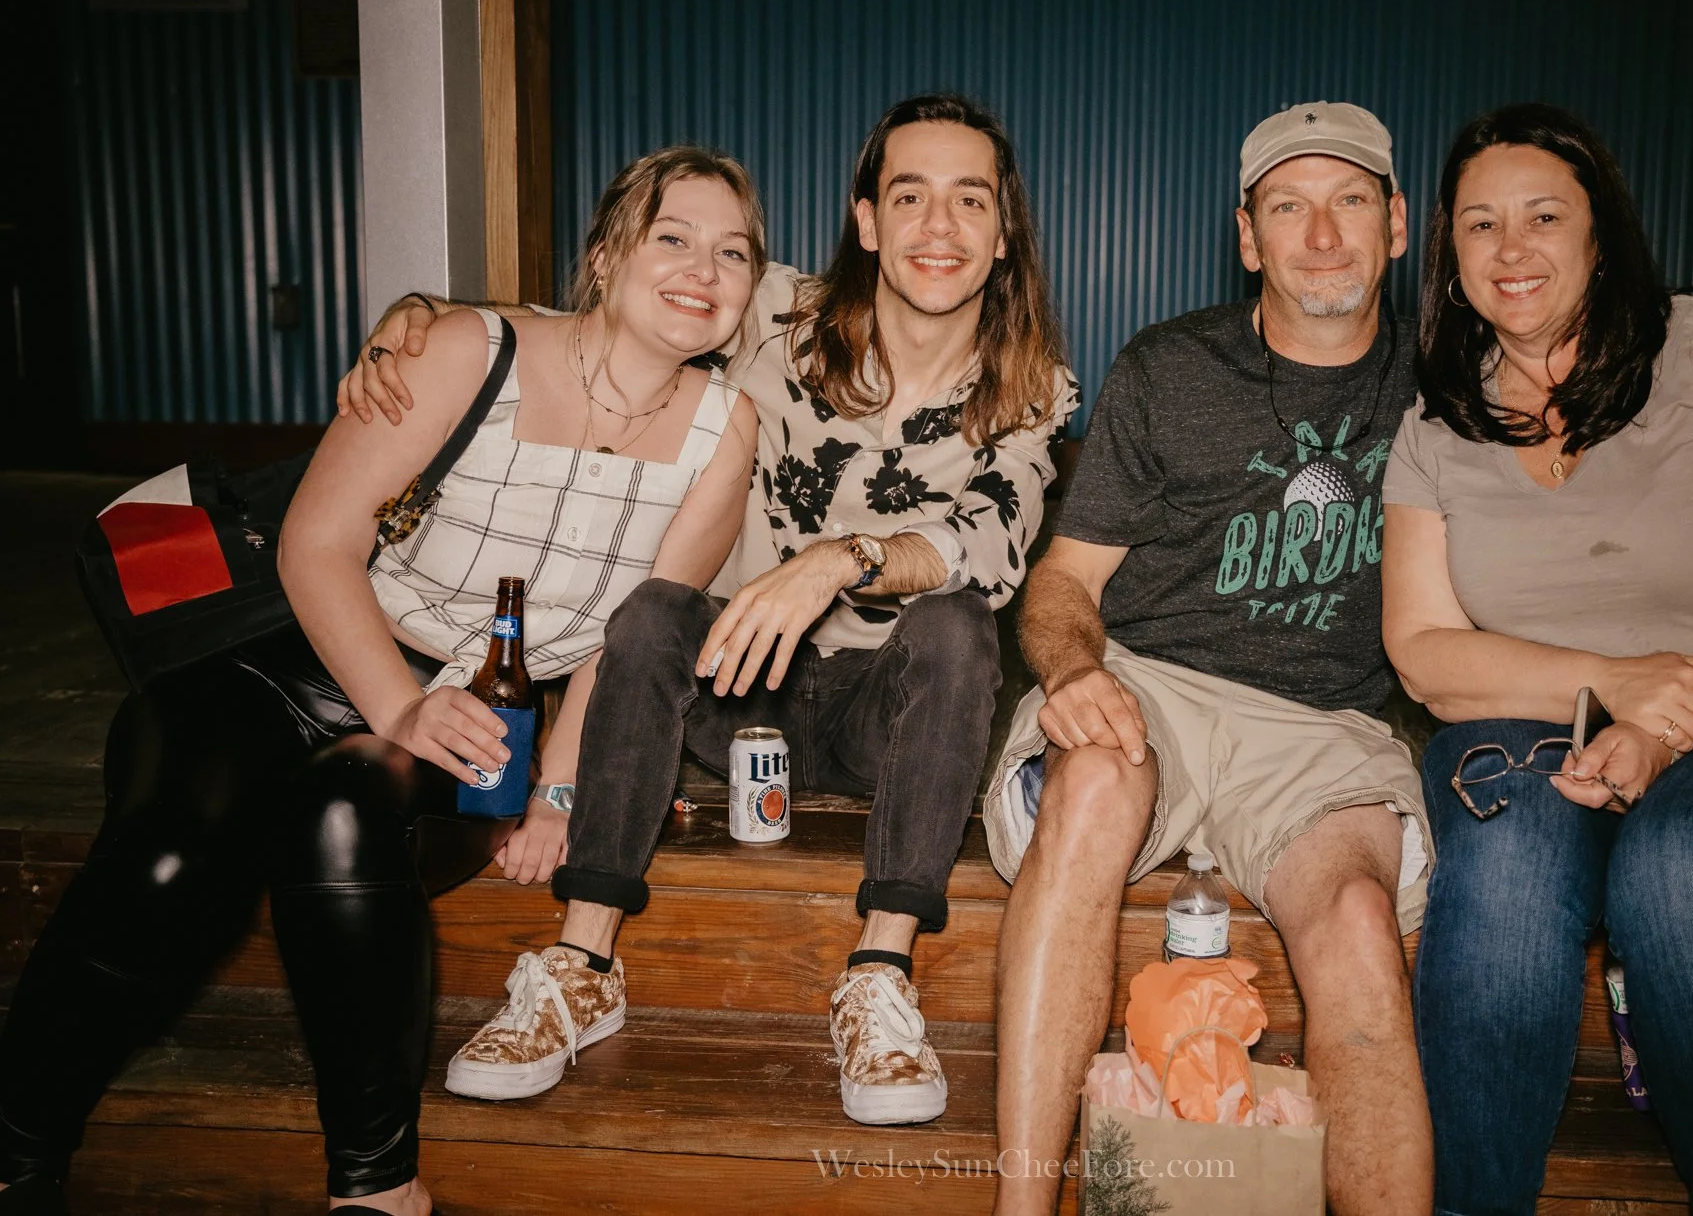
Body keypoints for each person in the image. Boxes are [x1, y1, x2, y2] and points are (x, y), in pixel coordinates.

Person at [0, 145, 762, 1216]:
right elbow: (315, 542)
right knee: (170, 855)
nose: (702, 267)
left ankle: (376, 1186)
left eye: (732, 251)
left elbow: (633, 641)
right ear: (604, 257)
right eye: (671, 236)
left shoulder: (724, 435)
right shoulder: (462, 350)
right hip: (284, 665)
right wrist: (399, 704)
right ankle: (19, 1155)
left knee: (345, 817)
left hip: (476, 718)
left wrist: (556, 786)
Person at [339, 93, 1078, 1126]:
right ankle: (582, 958)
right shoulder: (779, 312)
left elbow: (991, 551)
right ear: (866, 220)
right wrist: (421, 313)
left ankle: (878, 972)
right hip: (733, 692)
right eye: (909, 195)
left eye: (969, 200)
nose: (938, 227)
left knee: (957, 626)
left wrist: (838, 558)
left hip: (891, 715)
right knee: (650, 607)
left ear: (1002, 235)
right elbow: (623, 300)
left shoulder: (1031, 387)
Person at [1380, 103, 1693, 1216]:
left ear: (1600, 232)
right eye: (1478, 225)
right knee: (1504, 873)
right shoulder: (1435, 425)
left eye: (1542, 216)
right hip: (1529, 728)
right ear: (1449, 258)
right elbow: (1422, 653)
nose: (1510, 250)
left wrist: (1662, 725)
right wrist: (1610, 686)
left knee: (1680, 870)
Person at [982, 102, 1435, 1215]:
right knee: (1087, 788)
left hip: (1322, 726)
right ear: (1246, 236)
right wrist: (1074, 672)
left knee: (1359, 926)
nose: (1320, 235)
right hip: (1151, 683)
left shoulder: (1453, 386)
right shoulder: (1169, 367)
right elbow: (1062, 582)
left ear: (1397, 225)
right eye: (1288, 206)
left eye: (1349, 201)